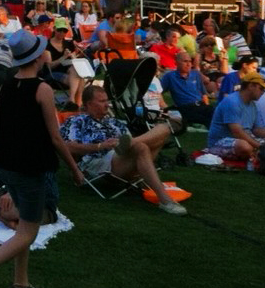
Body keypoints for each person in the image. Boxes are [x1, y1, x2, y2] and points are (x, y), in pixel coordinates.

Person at [0, 31, 82, 288]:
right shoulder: (42, 89)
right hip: (31, 167)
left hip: (6, 165)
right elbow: (55, 137)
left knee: (22, 227)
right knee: (29, 231)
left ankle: (21, 281)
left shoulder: (5, 88)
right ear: (38, 57)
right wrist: (74, 170)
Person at [60, 86, 187, 215]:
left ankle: (136, 141)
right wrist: (100, 146)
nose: (107, 104)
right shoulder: (76, 121)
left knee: (163, 129)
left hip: (126, 157)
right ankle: (165, 199)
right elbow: (68, 147)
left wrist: (126, 143)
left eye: (107, 100)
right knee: (141, 147)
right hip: (98, 162)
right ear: (88, 104)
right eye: (102, 101)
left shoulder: (114, 122)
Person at [205, 71, 265, 162]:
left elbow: (256, 129)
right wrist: (258, 146)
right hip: (220, 141)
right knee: (245, 147)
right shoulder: (232, 102)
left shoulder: (253, 105)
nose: (263, 92)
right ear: (251, 86)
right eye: (261, 88)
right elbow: (236, 132)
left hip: (241, 139)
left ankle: (256, 155)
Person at [160, 51, 214, 127]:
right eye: (185, 61)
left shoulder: (195, 74)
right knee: (206, 119)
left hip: (200, 105)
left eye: (190, 61)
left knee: (217, 113)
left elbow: (203, 94)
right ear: (177, 63)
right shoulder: (170, 76)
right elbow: (158, 92)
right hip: (185, 108)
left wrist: (206, 106)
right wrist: (164, 106)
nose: (189, 64)